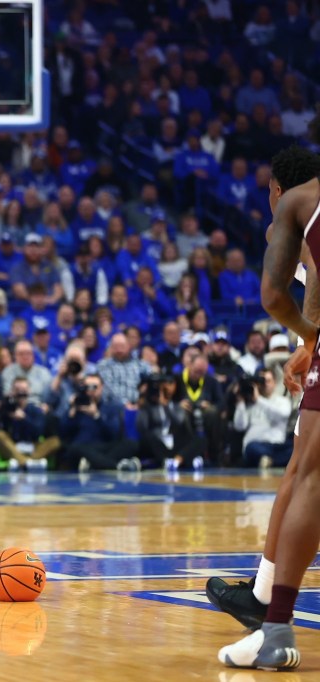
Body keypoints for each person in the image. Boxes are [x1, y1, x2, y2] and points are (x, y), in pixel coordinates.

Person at [208, 146, 320, 636]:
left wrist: (308, 340)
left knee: (304, 474)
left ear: (277, 189)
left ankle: (267, 600)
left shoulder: (290, 217)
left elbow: (302, 281)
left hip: (316, 338)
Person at [233, 369, 292, 468]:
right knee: (250, 447)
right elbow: (240, 426)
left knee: (296, 447)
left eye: (268, 381)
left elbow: (283, 415)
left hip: (276, 446)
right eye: (262, 381)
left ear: (274, 383)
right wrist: (241, 401)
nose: (265, 384)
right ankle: (272, 460)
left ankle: (269, 460)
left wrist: (259, 400)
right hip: (256, 446)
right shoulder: (250, 402)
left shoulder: (282, 401)